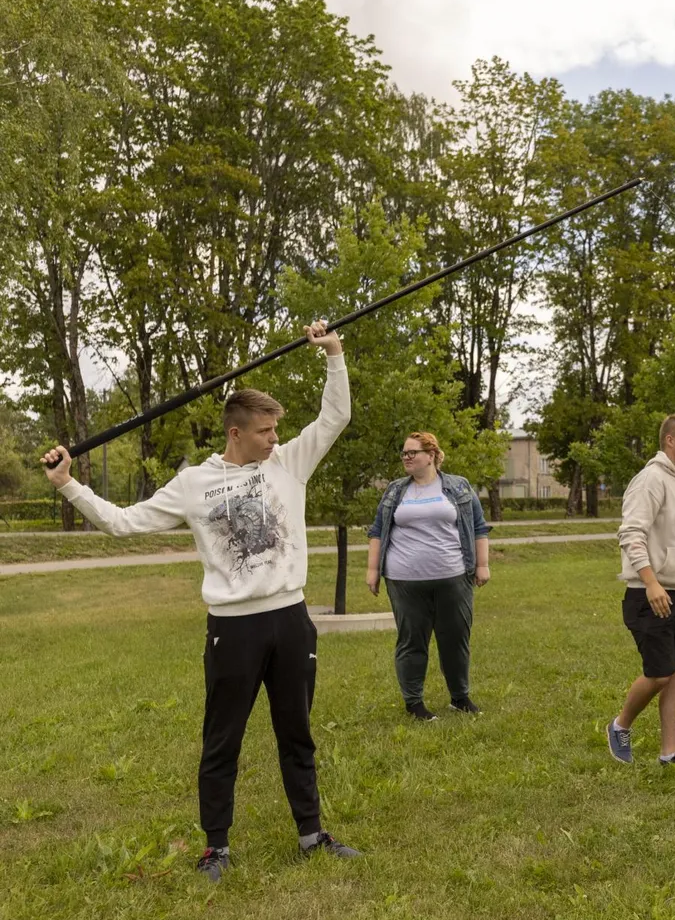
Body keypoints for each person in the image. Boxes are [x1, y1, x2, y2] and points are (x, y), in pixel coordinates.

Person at [40, 320, 359, 883]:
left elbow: (335, 417)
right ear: (236, 433)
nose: (274, 439)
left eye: (276, 429)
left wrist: (333, 355)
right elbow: (121, 522)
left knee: (297, 732)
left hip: (290, 620)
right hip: (232, 629)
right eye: (265, 431)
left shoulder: (288, 465)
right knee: (222, 741)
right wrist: (69, 484)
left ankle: (312, 836)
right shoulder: (193, 484)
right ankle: (217, 847)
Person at [606, 414, 675, 766]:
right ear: (669, 441)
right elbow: (631, 534)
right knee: (659, 673)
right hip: (650, 595)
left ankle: (669, 754)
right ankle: (620, 725)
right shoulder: (650, 480)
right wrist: (652, 583)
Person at [366, 432, 491, 721]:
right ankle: (414, 703)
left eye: (413, 452)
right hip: (404, 581)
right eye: (404, 453)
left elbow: (479, 527)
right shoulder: (395, 491)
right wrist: (372, 571)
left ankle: (460, 698)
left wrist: (482, 564)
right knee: (412, 640)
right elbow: (377, 530)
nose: (406, 457)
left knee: (456, 639)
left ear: (431, 455)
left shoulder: (458, 486)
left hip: (454, 578)